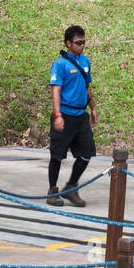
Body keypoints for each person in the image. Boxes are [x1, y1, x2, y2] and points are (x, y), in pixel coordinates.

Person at [47, 25, 97, 207]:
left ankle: (71, 186)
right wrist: (57, 115)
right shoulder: (60, 64)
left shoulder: (85, 61)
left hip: (80, 115)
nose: (82, 46)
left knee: (87, 153)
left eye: (84, 42)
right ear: (68, 43)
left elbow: (87, 87)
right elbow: (56, 90)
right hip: (65, 114)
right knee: (57, 155)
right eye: (78, 43)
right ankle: (53, 191)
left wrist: (93, 108)